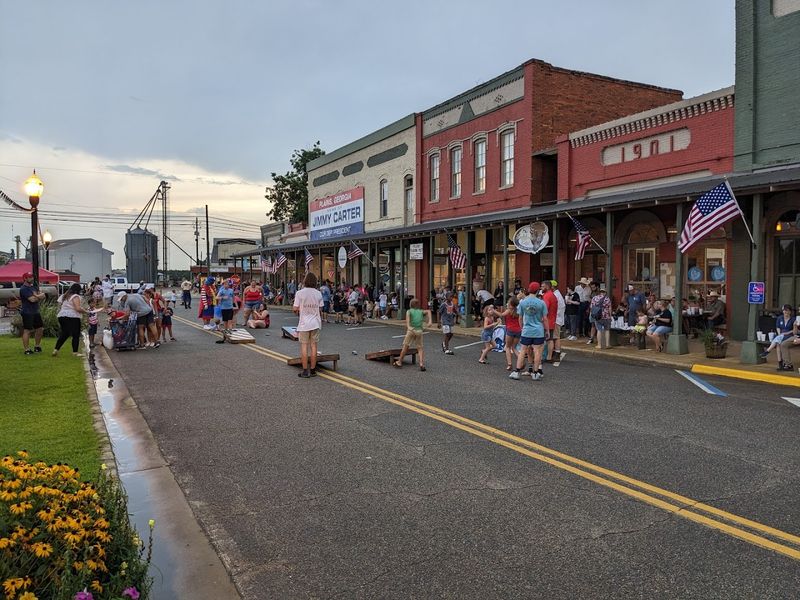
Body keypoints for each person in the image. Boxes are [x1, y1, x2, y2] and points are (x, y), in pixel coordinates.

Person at [509, 282, 547, 381]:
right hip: (538, 330)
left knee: (523, 351)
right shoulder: (541, 302)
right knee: (537, 351)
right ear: (538, 290)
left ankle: (517, 372)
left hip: (527, 329)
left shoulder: (523, 302)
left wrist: (522, 328)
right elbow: (545, 318)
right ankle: (535, 373)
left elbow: (520, 318)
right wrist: (546, 330)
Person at [293, 272, 323, 378]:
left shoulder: (299, 293)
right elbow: (320, 309)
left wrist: (299, 311)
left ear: (305, 281)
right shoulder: (318, 293)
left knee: (304, 346)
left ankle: (305, 371)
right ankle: (313, 370)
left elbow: (295, 308)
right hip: (315, 322)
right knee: (314, 346)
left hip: (304, 323)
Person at [393, 298, 432, 371]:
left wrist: (409, 327)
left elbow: (408, 321)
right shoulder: (420, 311)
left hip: (411, 330)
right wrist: (430, 321)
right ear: (418, 305)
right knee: (420, 348)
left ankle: (399, 361)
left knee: (405, 346)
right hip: (419, 331)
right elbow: (428, 311)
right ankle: (421, 364)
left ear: (410, 305)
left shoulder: (409, 311)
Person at [52, 283, 89, 356]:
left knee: (64, 333)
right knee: (75, 334)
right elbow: (77, 308)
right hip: (73, 316)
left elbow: (59, 306)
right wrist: (85, 311)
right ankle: (75, 352)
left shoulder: (64, 296)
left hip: (62, 315)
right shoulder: (75, 296)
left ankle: (56, 349)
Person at [760, 304, 798, 371]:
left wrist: (786, 333)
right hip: (781, 335)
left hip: (789, 335)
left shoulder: (793, 319)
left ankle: (768, 351)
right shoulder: (780, 318)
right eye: (784, 311)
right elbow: (778, 327)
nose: (785, 312)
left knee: (778, 341)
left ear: (790, 312)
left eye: (787, 311)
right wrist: (780, 334)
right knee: (778, 343)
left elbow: (794, 331)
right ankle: (781, 365)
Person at [18, 272, 46, 355]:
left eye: (32, 277)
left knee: (40, 329)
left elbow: (43, 295)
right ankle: (27, 349)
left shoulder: (34, 287)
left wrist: (37, 296)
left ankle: (37, 346)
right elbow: (32, 300)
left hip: (35, 311)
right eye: (29, 277)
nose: (31, 278)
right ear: (25, 278)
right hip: (27, 312)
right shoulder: (23, 289)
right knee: (27, 330)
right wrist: (38, 296)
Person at [501, 296, 522, 371]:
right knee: (514, 347)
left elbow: (501, 315)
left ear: (511, 304)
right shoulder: (518, 310)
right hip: (518, 330)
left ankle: (509, 364)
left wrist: (493, 311)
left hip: (510, 330)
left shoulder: (509, 310)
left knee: (508, 347)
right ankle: (521, 361)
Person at [541, 280, 559, 362]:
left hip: (547, 321)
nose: (541, 288)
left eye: (543, 286)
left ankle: (542, 356)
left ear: (547, 287)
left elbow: (545, 309)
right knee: (550, 339)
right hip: (552, 320)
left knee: (544, 340)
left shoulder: (547, 296)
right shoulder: (553, 295)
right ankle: (549, 357)